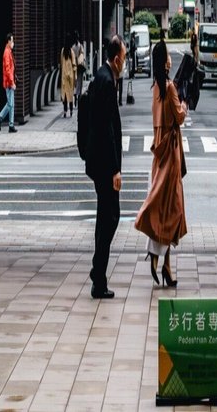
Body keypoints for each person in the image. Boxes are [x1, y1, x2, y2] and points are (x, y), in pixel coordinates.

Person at [135, 38, 187, 288]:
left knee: (163, 208)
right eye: (167, 55)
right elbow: (180, 117)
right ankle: (157, 256)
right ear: (164, 61)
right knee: (172, 210)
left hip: (158, 152)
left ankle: (165, 264)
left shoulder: (156, 88)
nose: (170, 59)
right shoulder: (170, 89)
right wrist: (184, 105)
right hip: (171, 154)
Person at [85, 35, 125, 299]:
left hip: (97, 162)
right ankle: (98, 274)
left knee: (105, 217)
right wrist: (115, 170)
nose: (125, 62)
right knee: (110, 217)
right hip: (104, 165)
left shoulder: (101, 76)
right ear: (117, 58)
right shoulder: (108, 82)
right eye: (124, 57)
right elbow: (107, 130)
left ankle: (98, 274)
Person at [0, 33, 18, 133]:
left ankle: (11, 125)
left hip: (10, 81)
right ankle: (0, 117)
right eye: (12, 41)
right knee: (10, 104)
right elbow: (8, 70)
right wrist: (12, 82)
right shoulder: (7, 53)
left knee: (11, 104)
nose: (13, 43)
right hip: (8, 83)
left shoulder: (9, 51)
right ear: (8, 41)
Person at [59, 33, 76, 118]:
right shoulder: (71, 51)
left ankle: (65, 111)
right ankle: (71, 110)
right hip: (70, 76)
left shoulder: (63, 51)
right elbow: (74, 64)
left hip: (64, 76)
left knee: (65, 94)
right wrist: (75, 76)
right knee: (70, 94)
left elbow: (61, 63)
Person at [72, 31, 86, 108]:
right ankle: (78, 96)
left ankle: (75, 95)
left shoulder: (73, 47)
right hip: (80, 67)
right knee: (80, 83)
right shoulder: (80, 46)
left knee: (75, 82)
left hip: (74, 67)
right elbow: (83, 56)